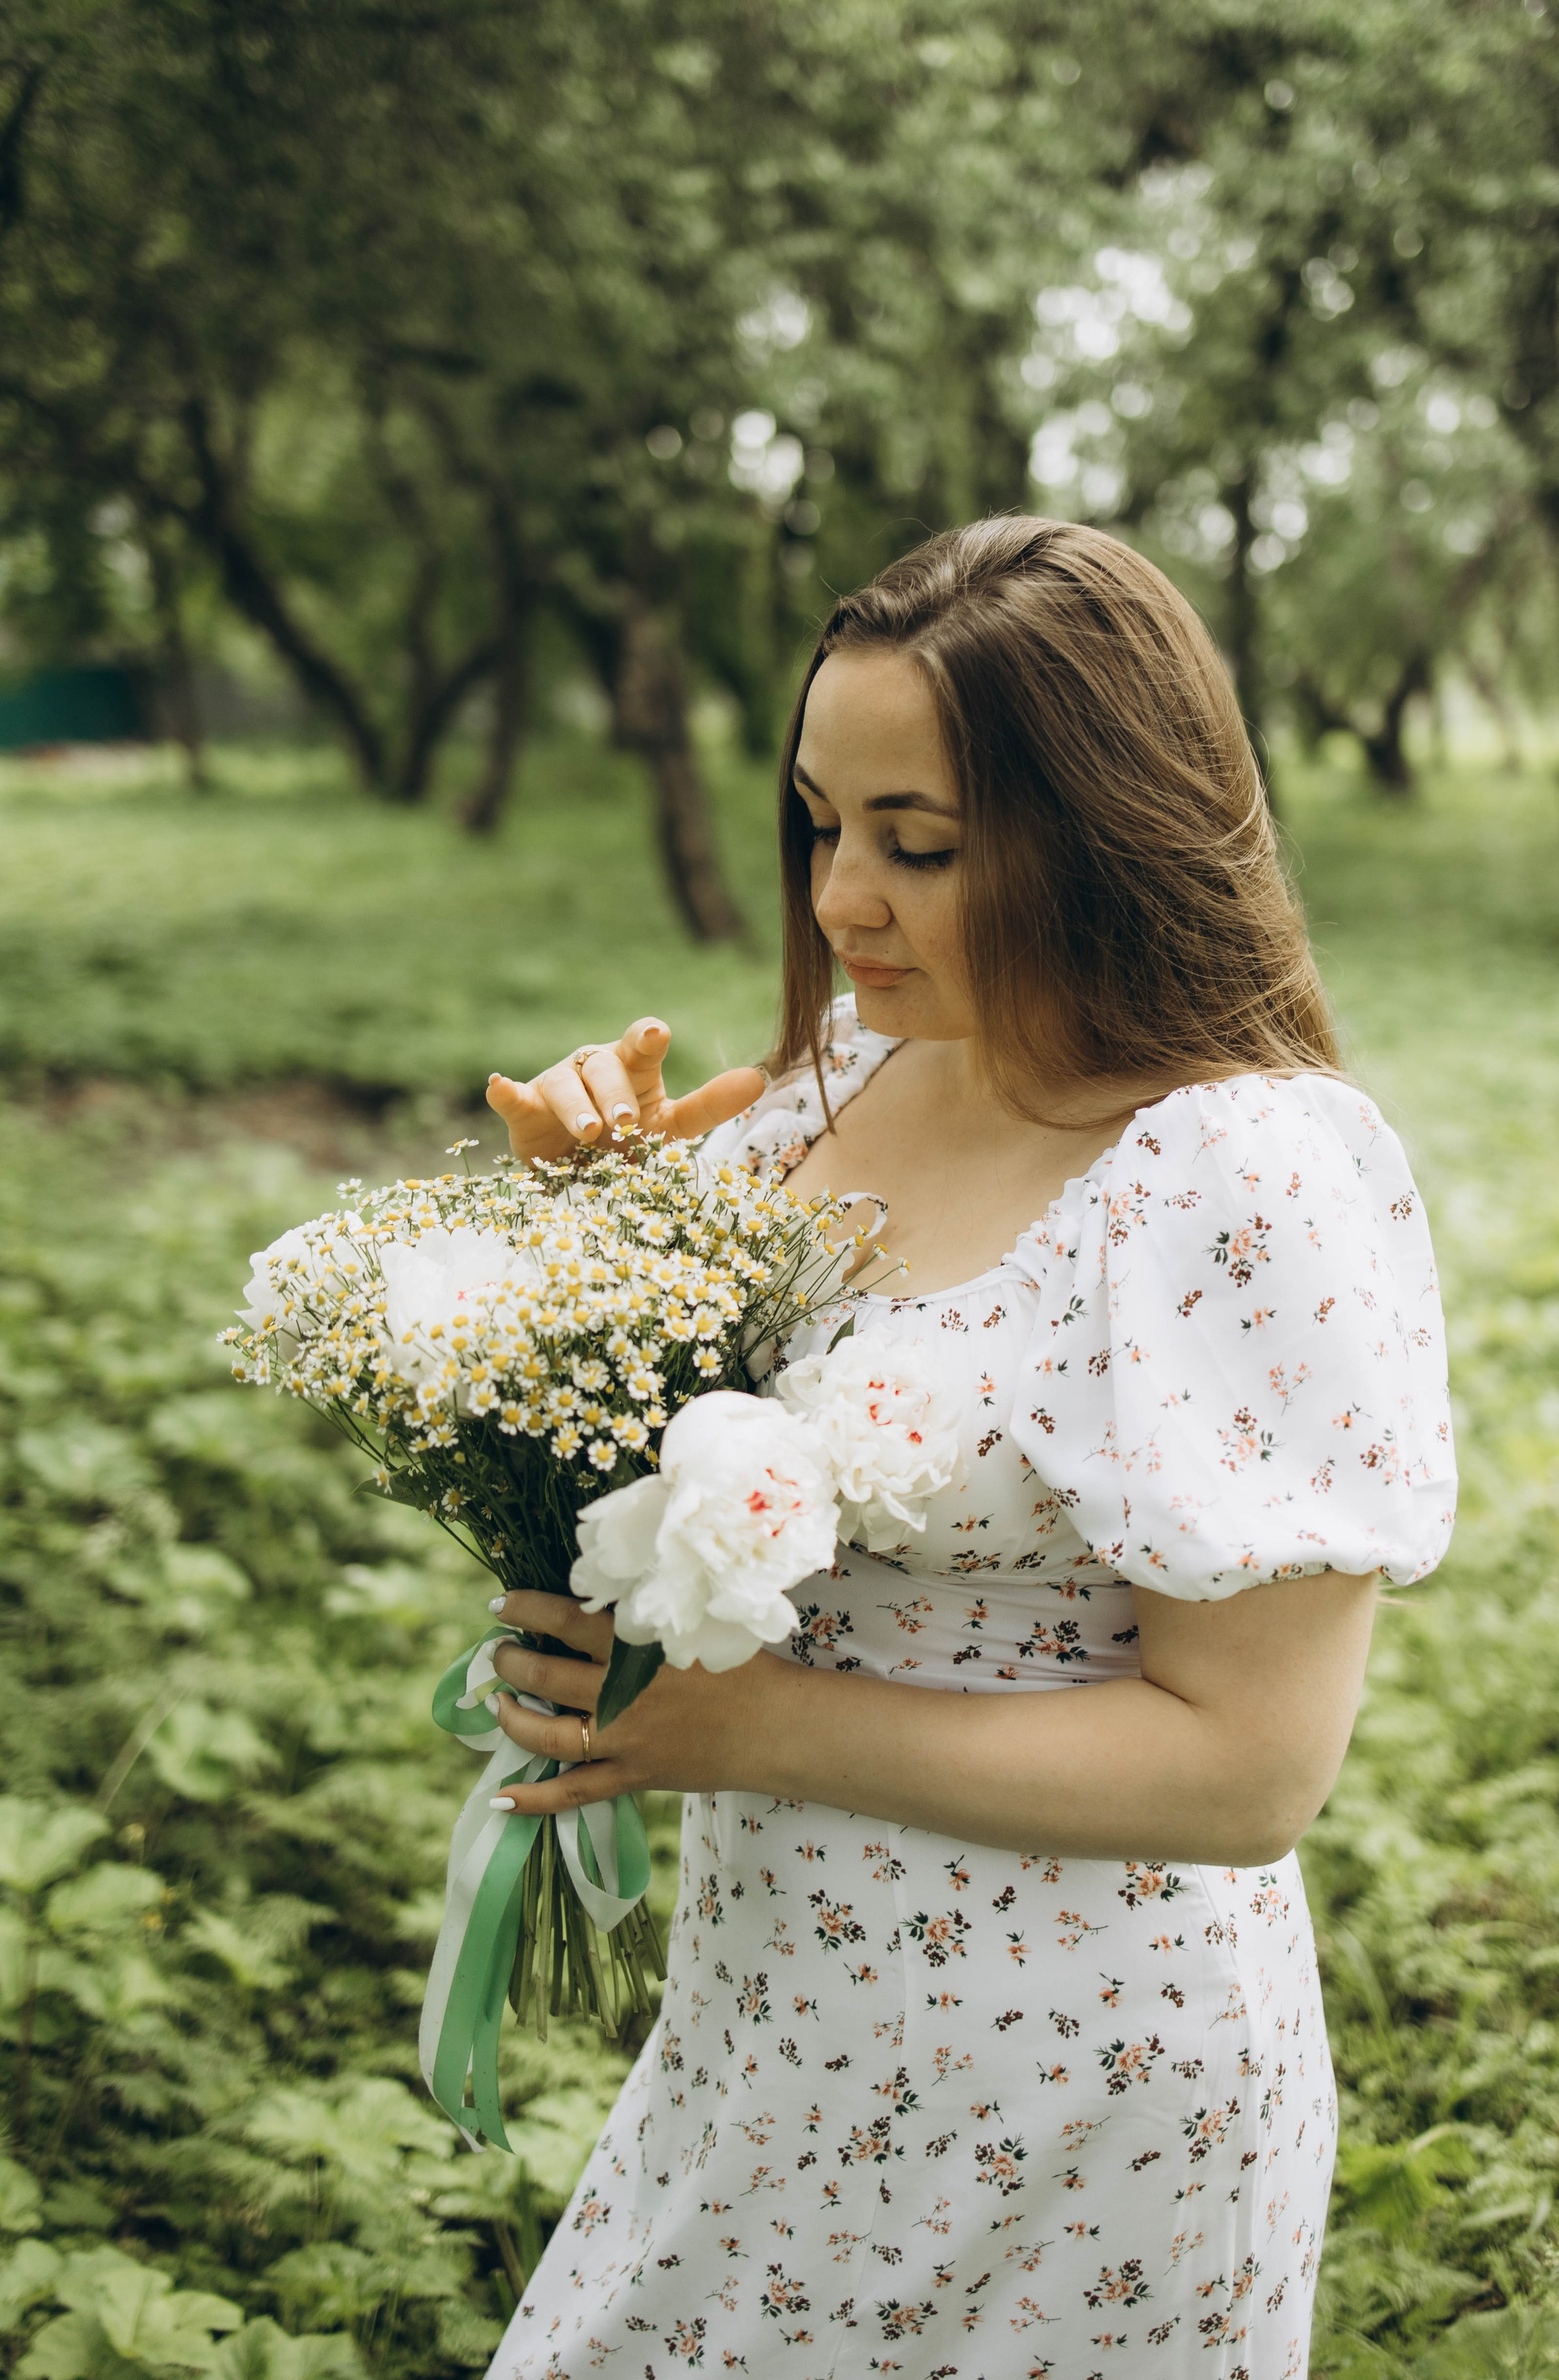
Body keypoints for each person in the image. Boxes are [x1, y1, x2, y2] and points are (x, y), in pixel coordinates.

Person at [479, 517, 1456, 2380]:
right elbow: (671, 1518)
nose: (845, 899)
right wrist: (598, 1253)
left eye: (918, 845)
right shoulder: (832, 1093)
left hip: (1081, 2085)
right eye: (821, 824)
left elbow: (1249, 1773)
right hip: (778, 2017)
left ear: (1105, 828)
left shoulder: (1231, 1173)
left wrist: (754, 1733)